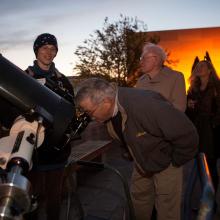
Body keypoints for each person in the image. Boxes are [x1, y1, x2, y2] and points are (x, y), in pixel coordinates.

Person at [75, 77, 199, 220]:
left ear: (106, 102)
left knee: (167, 209)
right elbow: (126, 131)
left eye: (90, 112)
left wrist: (175, 161)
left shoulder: (146, 105)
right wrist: (129, 151)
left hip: (166, 162)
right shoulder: (110, 110)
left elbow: (188, 134)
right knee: (139, 200)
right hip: (142, 163)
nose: (90, 118)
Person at [24, 33, 83, 220]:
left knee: (54, 199)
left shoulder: (63, 82)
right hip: (32, 150)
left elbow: (70, 112)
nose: (49, 52)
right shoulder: (24, 78)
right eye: (44, 48)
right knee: (31, 199)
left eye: (53, 49)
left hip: (57, 151)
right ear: (36, 51)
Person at [186, 60, 220, 189]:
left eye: (202, 66)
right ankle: (206, 196)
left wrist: (214, 124)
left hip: (212, 132)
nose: (199, 68)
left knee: (210, 166)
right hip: (198, 130)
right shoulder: (193, 89)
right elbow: (189, 113)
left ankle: (210, 202)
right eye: (198, 66)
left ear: (210, 70)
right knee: (201, 165)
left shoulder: (217, 87)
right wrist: (189, 106)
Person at [136, 43, 186, 112]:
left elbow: (179, 108)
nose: (141, 62)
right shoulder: (140, 81)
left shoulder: (176, 77)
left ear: (156, 60)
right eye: (141, 59)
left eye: (144, 58)